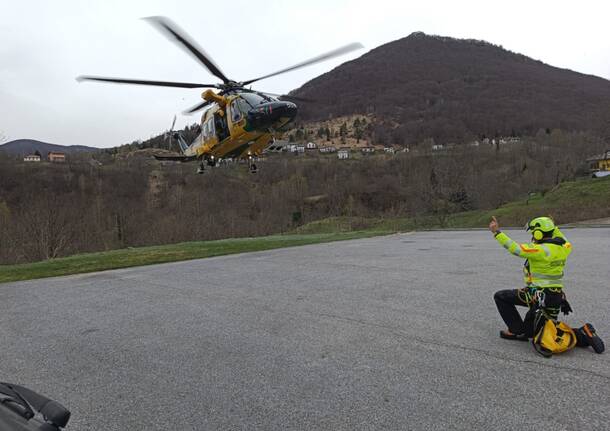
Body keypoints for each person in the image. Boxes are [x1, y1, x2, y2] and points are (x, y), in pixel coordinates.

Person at [489, 216, 604, 354]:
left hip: (537, 296)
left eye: (533, 233)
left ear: (539, 233)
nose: (532, 236)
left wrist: (497, 233)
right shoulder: (564, 247)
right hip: (556, 297)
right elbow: (563, 238)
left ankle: (515, 331)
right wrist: (552, 226)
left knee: (500, 296)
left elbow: (516, 249)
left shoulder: (541, 250)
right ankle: (583, 334)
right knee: (546, 330)